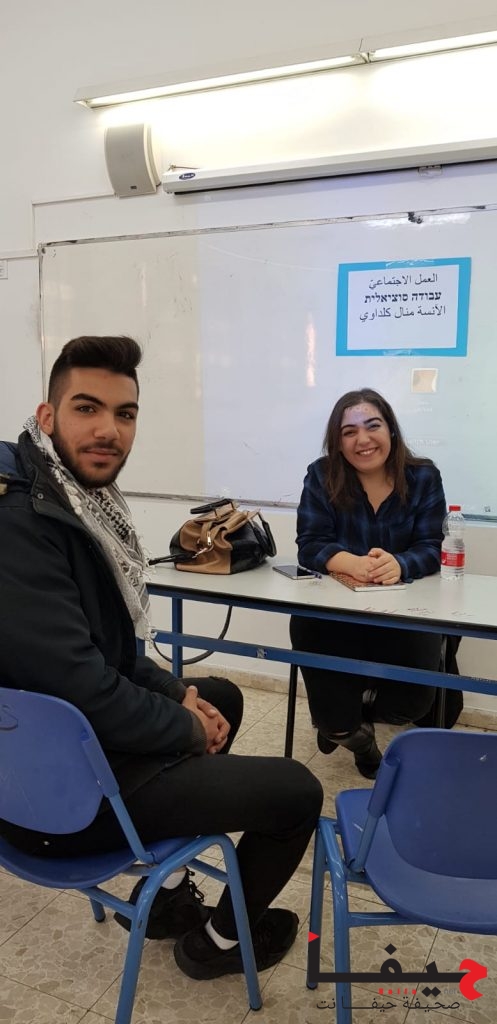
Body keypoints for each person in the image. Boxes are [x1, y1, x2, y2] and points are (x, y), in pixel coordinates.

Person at [0, 335, 323, 981]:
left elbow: (111, 651)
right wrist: (184, 727)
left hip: (72, 755)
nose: (108, 429)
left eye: (124, 413)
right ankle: (218, 945)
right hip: (52, 805)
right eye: (86, 408)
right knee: (296, 792)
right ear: (46, 416)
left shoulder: (69, 500)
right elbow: (85, 687)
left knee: (218, 696)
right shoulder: (20, 522)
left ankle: (167, 897)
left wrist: (178, 698)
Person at [290, 388, 446, 779]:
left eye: (372, 426)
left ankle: (351, 713)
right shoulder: (322, 475)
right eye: (349, 432)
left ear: (390, 429)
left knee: (413, 703)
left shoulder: (423, 477)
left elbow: (432, 547)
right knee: (335, 721)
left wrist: (400, 563)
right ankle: (357, 740)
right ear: (338, 441)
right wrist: (352, 564)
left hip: (404, 613)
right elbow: (310, 545)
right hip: (334, 614)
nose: (363, 439)